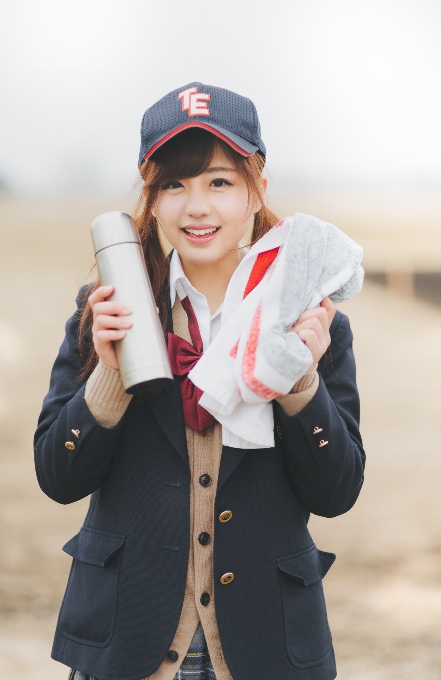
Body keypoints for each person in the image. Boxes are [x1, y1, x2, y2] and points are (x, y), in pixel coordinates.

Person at [34, 82, 365, 680]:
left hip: (267, 647)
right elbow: (58, 478)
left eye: (219, 182)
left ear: (256, 188)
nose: (197, 207)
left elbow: (337, 493)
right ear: (151, 197)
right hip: (128, 644)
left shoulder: (308, 319)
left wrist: (300, 382)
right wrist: (109, 375)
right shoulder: (106, 311)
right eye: (173, 184)